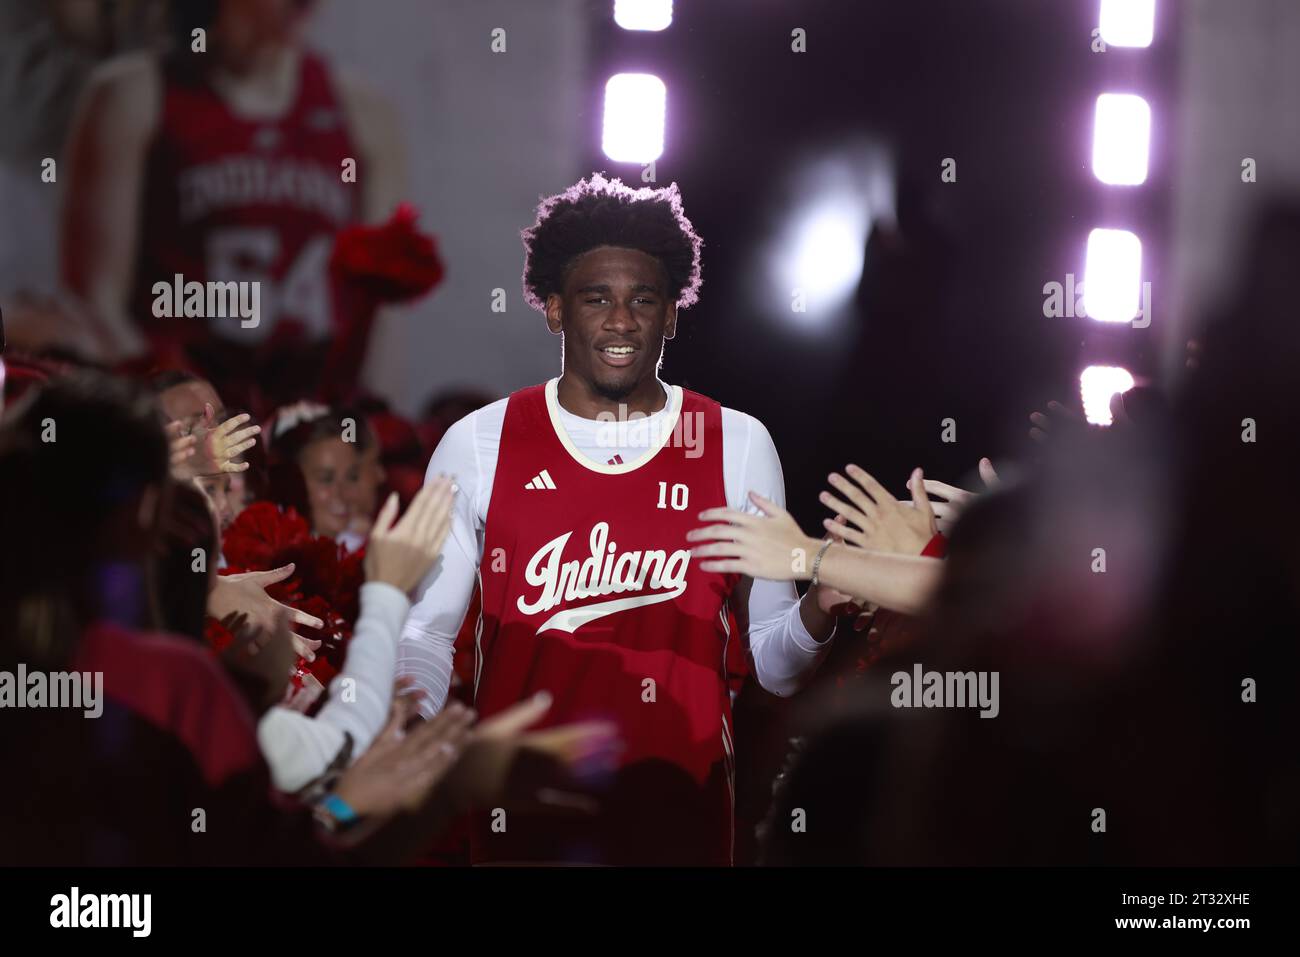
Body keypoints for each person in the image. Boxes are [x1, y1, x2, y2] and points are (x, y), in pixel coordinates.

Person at [397, 174, 845, 865]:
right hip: (522, 822)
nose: (620, 321)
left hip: (681, 824)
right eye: (595, 298)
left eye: (643, 300)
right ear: (553, 310)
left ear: (671, 314)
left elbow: (777, 666)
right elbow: (426, 634)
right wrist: (413, 737)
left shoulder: (736, 442)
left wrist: (821, 602)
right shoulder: (480, 442)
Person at [59, 0, 406, 413]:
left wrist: (368, 423)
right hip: (178, 414)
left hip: (308, 422)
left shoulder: (363, 112)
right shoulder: (132, 94)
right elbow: (95, 299)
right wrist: (183, 411)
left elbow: (379, 311)